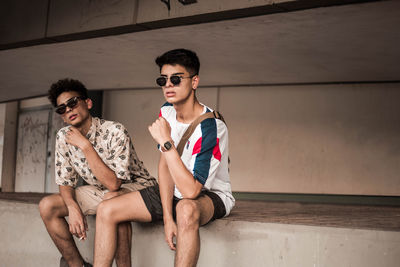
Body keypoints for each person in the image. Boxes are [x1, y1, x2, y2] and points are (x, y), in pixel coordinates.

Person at [93, 49, 235, 267]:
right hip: (174, 191)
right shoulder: (167, 111)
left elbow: (191, 191)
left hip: (209, 195)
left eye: (176, 79)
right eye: (163, 79)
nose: (168, 85)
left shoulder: (211, 127)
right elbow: (164, 166)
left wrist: (167, 144)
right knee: (106, 208)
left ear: (194, 81)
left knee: (186, 209)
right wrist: (168, 219)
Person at [39, 78, 157, 267]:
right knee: (48, 206)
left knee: (112, 199)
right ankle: (76, 264)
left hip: (139, 188)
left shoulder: (115, 131)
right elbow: (65, 181)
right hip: (101, 190)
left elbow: (114, 184)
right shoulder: (64, 137)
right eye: (62, 108)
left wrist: (85, 146)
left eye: (72, 103)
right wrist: (72, 206)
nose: (68, 110)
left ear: (88, 103)